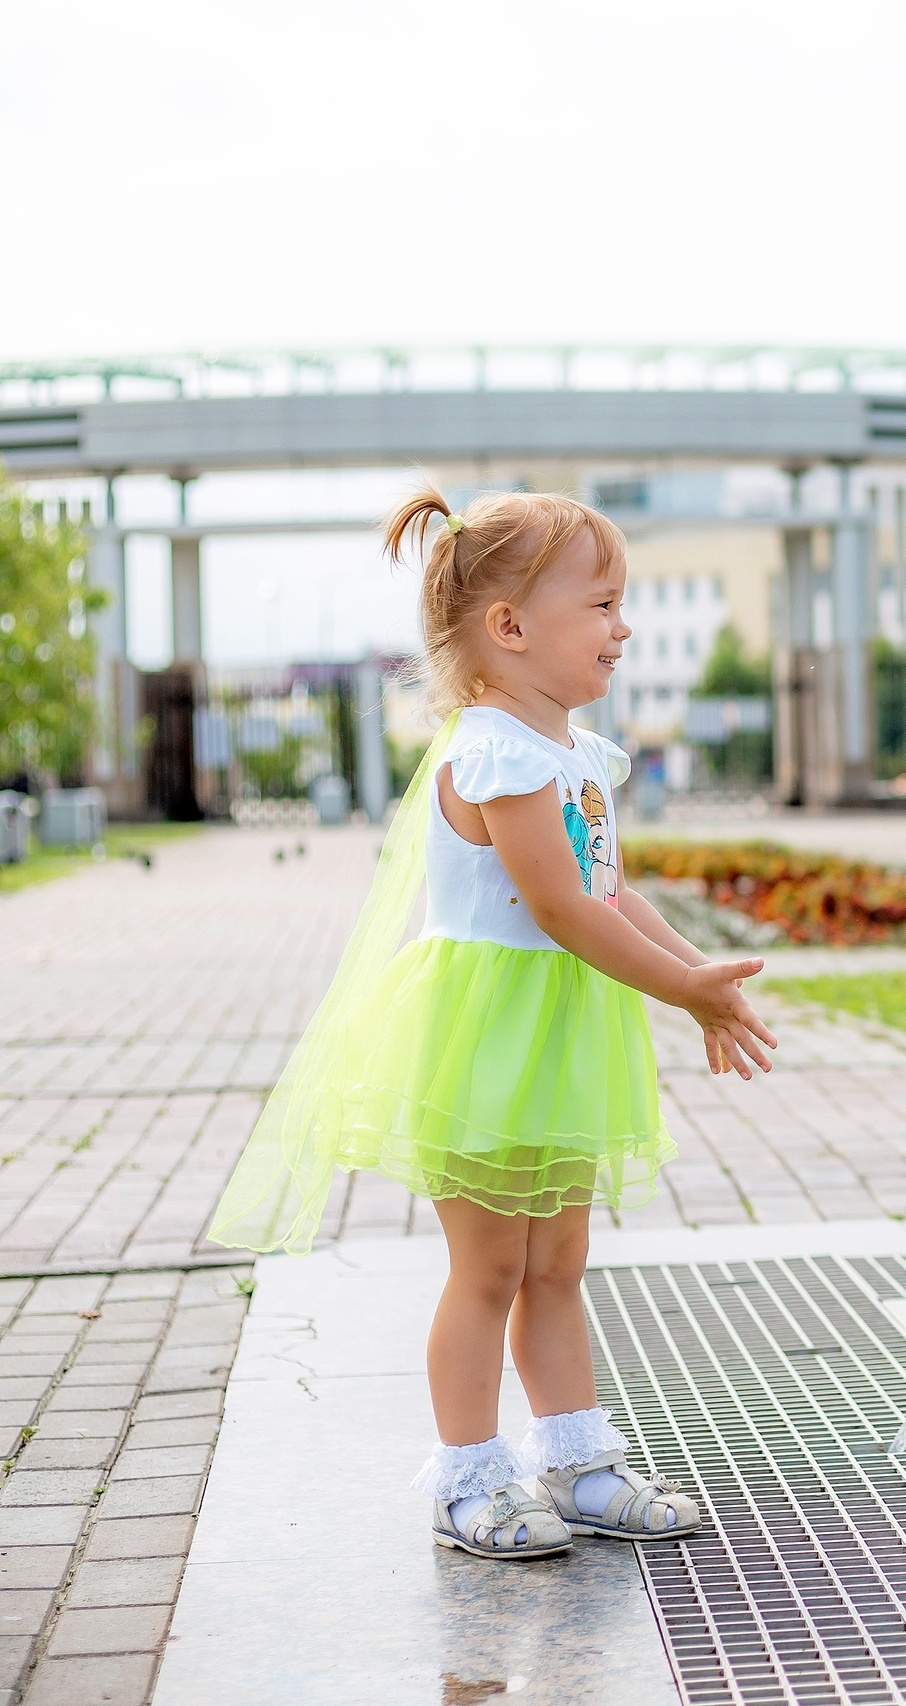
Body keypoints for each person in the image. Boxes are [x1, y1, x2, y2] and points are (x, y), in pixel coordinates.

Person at [210, 487, 778, 1560]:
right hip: (486, 1042)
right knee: (488, 1270)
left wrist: (698, 971)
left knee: (559, 1262)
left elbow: (607, 892)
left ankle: (576, 1460)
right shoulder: (497, 753)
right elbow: (559, 908)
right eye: (601, 605)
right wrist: (680, 990)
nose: (623, 628)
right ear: (510, 626)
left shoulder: (580, 755)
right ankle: (467, 1478)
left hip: (557, 1037)